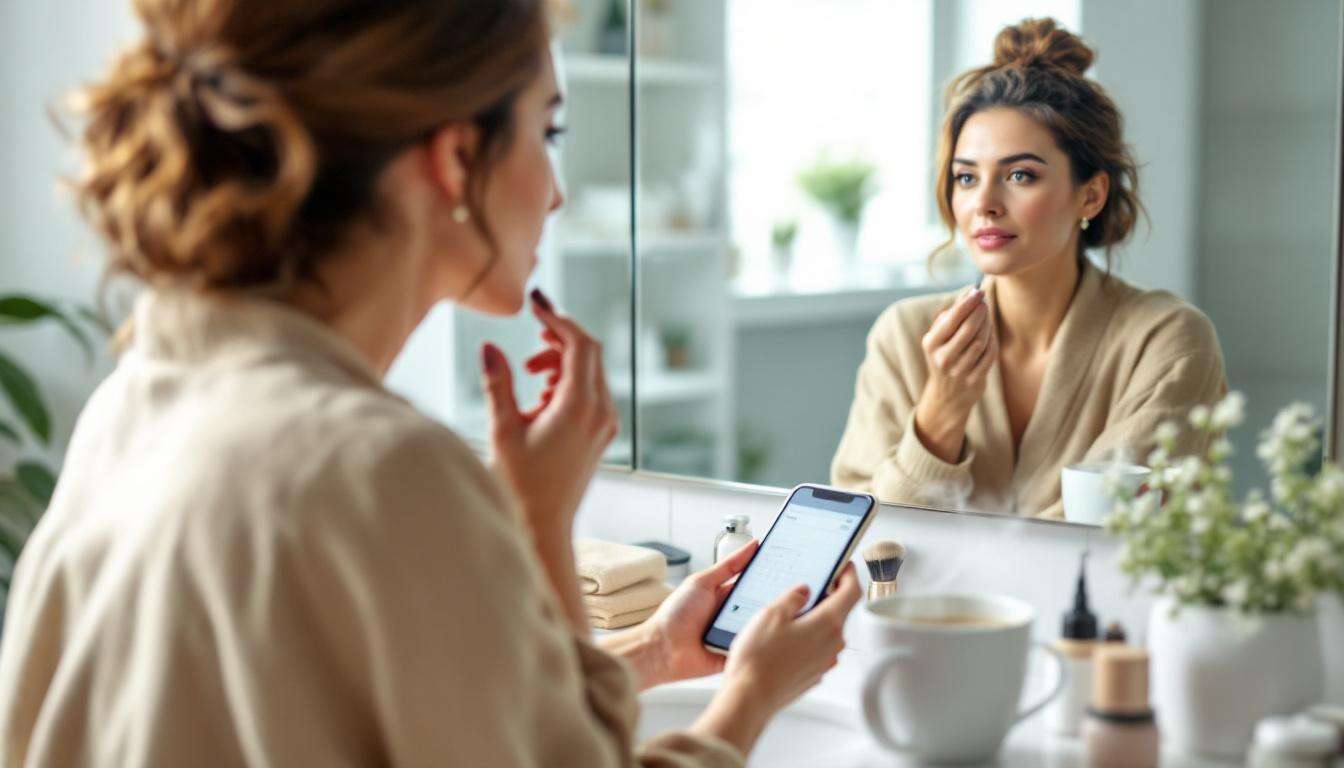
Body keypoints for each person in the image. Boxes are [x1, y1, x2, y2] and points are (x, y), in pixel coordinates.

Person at [0, 2, 859, 765]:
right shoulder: (379, 470)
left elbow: (414, 711)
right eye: (548, 132)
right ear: (457, 158)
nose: (557, 196)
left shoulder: (138, 404)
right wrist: (751, 694)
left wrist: (653, 653)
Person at [831, 18, 1227, 519]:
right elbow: (861, 537)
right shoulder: (904, 337)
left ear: (1091, 194)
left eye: (1020, 175)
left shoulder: (1167, 342)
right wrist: (942, 410)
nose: (985, 203)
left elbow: (1109, 535)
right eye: (966, 177)